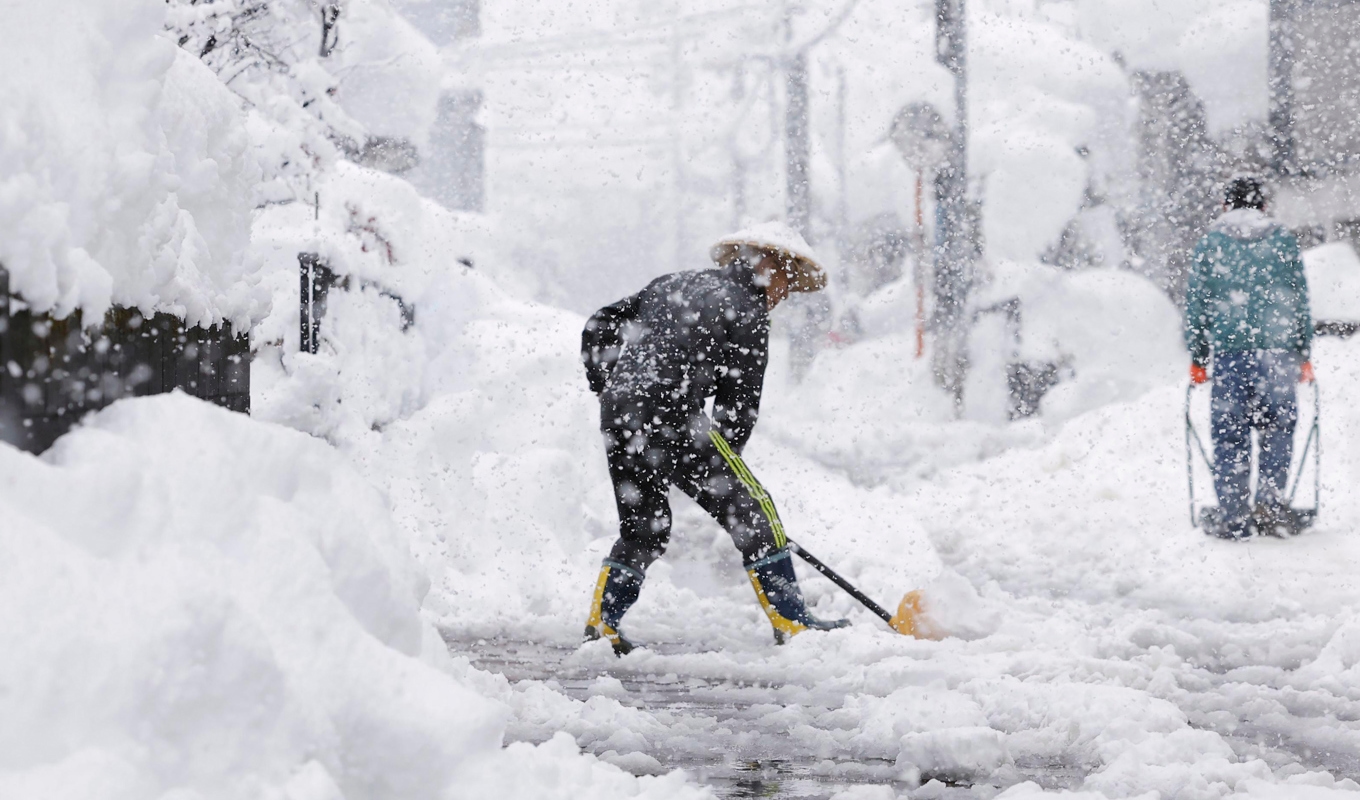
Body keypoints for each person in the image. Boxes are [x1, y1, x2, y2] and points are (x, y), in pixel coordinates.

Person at [580, 222, 849, 654]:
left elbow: (600, 324)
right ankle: (792, 620)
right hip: (673, 417)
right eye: (787, 285)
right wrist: (724, 475)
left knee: (644, 528)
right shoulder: (746, 309)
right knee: (756, 510)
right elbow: (738, 408)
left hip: (620, 415)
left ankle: (602, 622)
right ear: (772, 269)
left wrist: (609, 387)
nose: (784, 297)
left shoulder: (673, 283)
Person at [1185, 175, 1314, 540]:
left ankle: (1234, 516)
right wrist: (1303, 352)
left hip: (1230, 355)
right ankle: (1270, 510)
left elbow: (1197, 303)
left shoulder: (1211, 244)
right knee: (1277, 432)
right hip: (1278, 355)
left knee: (1230, 436)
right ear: (1263, 206)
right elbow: (1298, 299)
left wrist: (1198, 355)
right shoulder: (1283, 241)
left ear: (1226, 206)